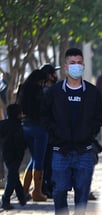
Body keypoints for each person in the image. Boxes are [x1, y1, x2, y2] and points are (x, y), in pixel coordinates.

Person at [42, 47, 102, 215]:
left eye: (79, 63)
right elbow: (45, 116)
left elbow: (98, 118)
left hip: (84, 150)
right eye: (72, 63)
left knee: (82, 190)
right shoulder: (54, 92)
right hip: (60, 150)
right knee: (59, 189)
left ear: (83, 65)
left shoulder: (93, 93)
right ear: (66, 67)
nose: (76, 66)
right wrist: (55, 134)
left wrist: (89, 134)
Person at [17, 69, 49, 202]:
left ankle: (24, 191)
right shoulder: (39, 92)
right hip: (39, 127)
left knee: (34, 158)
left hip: (25, 126)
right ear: (40, 80)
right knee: (39, 159)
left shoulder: (22, 89)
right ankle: (37, 192)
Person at [0, 104, 27, 210]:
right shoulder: (19, 126)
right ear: (19, 115)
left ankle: (21, 197)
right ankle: (6, 199)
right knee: (12, 176)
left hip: (6, 153)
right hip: (16, 155)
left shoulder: (4, 124)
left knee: (13, 174)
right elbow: (22, 142)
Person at [39, 63, 60, 198]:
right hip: (48, 130)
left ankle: (45, 187)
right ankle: (45, 187)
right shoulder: (47, 91)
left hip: (50, 129)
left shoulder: (48, 90)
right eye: (53, 73)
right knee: (47, 161)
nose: (55, 75)